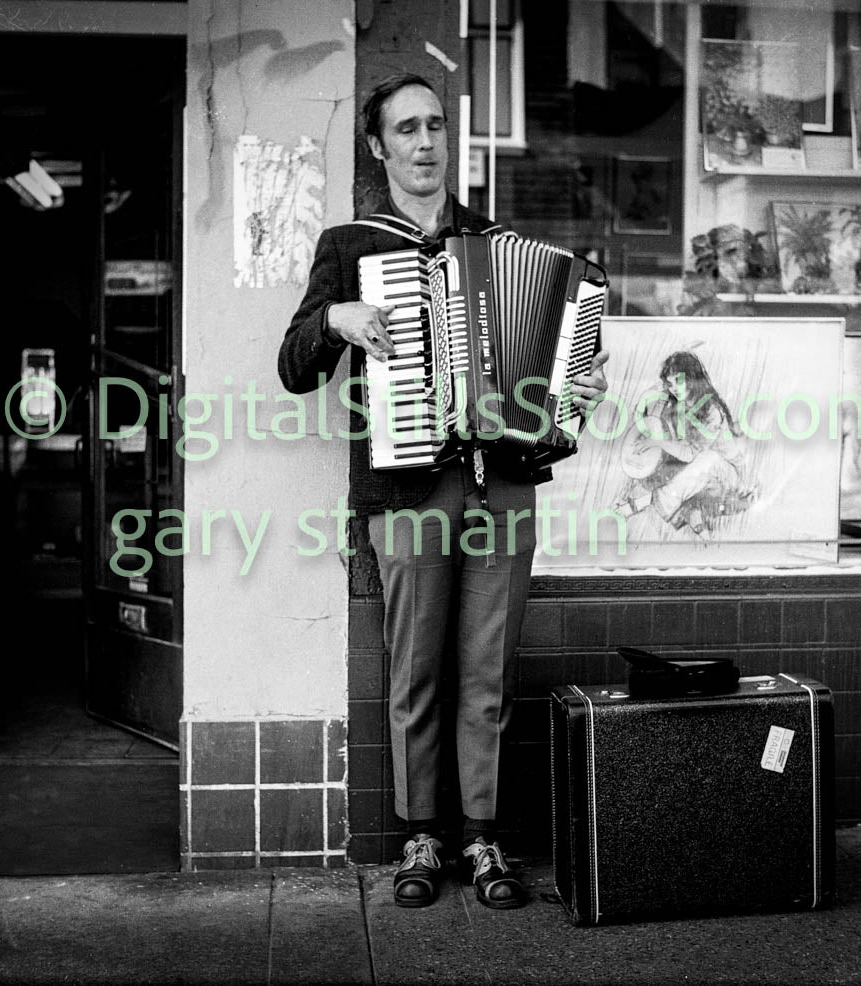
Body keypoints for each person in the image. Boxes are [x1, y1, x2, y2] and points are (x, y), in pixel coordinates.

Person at [278, 73, 608, 910]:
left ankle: (483, 837)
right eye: (407, 129)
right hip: (406, 494)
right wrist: (337, 321)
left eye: (435, 125)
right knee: (417, 670)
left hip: (503, 486)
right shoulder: (350, 246)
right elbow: (293, 367)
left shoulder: (495, 242)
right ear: (378, 146)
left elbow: (554, 379)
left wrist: (575, 385)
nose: (425, 142)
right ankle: (421, 834)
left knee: (487, 672)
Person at [616, 350, 749, 535]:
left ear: (692, 379)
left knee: (707, 458)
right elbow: (651, 395)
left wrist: (658, 442)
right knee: (662, 459)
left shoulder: (712, 411)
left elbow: (690, 454)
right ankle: (691, 512)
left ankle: (643, 503)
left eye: (679, 381)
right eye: (670, 384)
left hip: (726, 474)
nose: (674, 388)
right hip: (697, 476)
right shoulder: (679, 402)